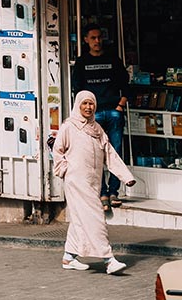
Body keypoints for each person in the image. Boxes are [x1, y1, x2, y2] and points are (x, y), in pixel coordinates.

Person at [53, 90, 135, 275]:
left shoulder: (97, 129)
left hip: (93, 182)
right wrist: (65, 169)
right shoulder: (69, 126)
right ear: (78, 105)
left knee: (79, 220)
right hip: (76, 181)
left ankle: (69, 257)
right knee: (96, 217)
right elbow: (57, 150)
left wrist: (125, 176)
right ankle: (108, 259)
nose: (88, 107)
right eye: (84, 104)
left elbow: (110, 154)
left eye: (91, 104)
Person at [71, 23, 129, 210]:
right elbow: (77, 90)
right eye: (93, 38)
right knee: (95, 154)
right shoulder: (82, 62)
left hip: (113, 111)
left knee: (116, 151)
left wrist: (120, 106)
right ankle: (102, 192)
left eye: (99, 37)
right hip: (93, 115)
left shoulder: (113, 59)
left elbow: (125, 83)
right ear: (86, 40)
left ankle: (113, 192)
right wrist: (85, 114)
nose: (97, 41)